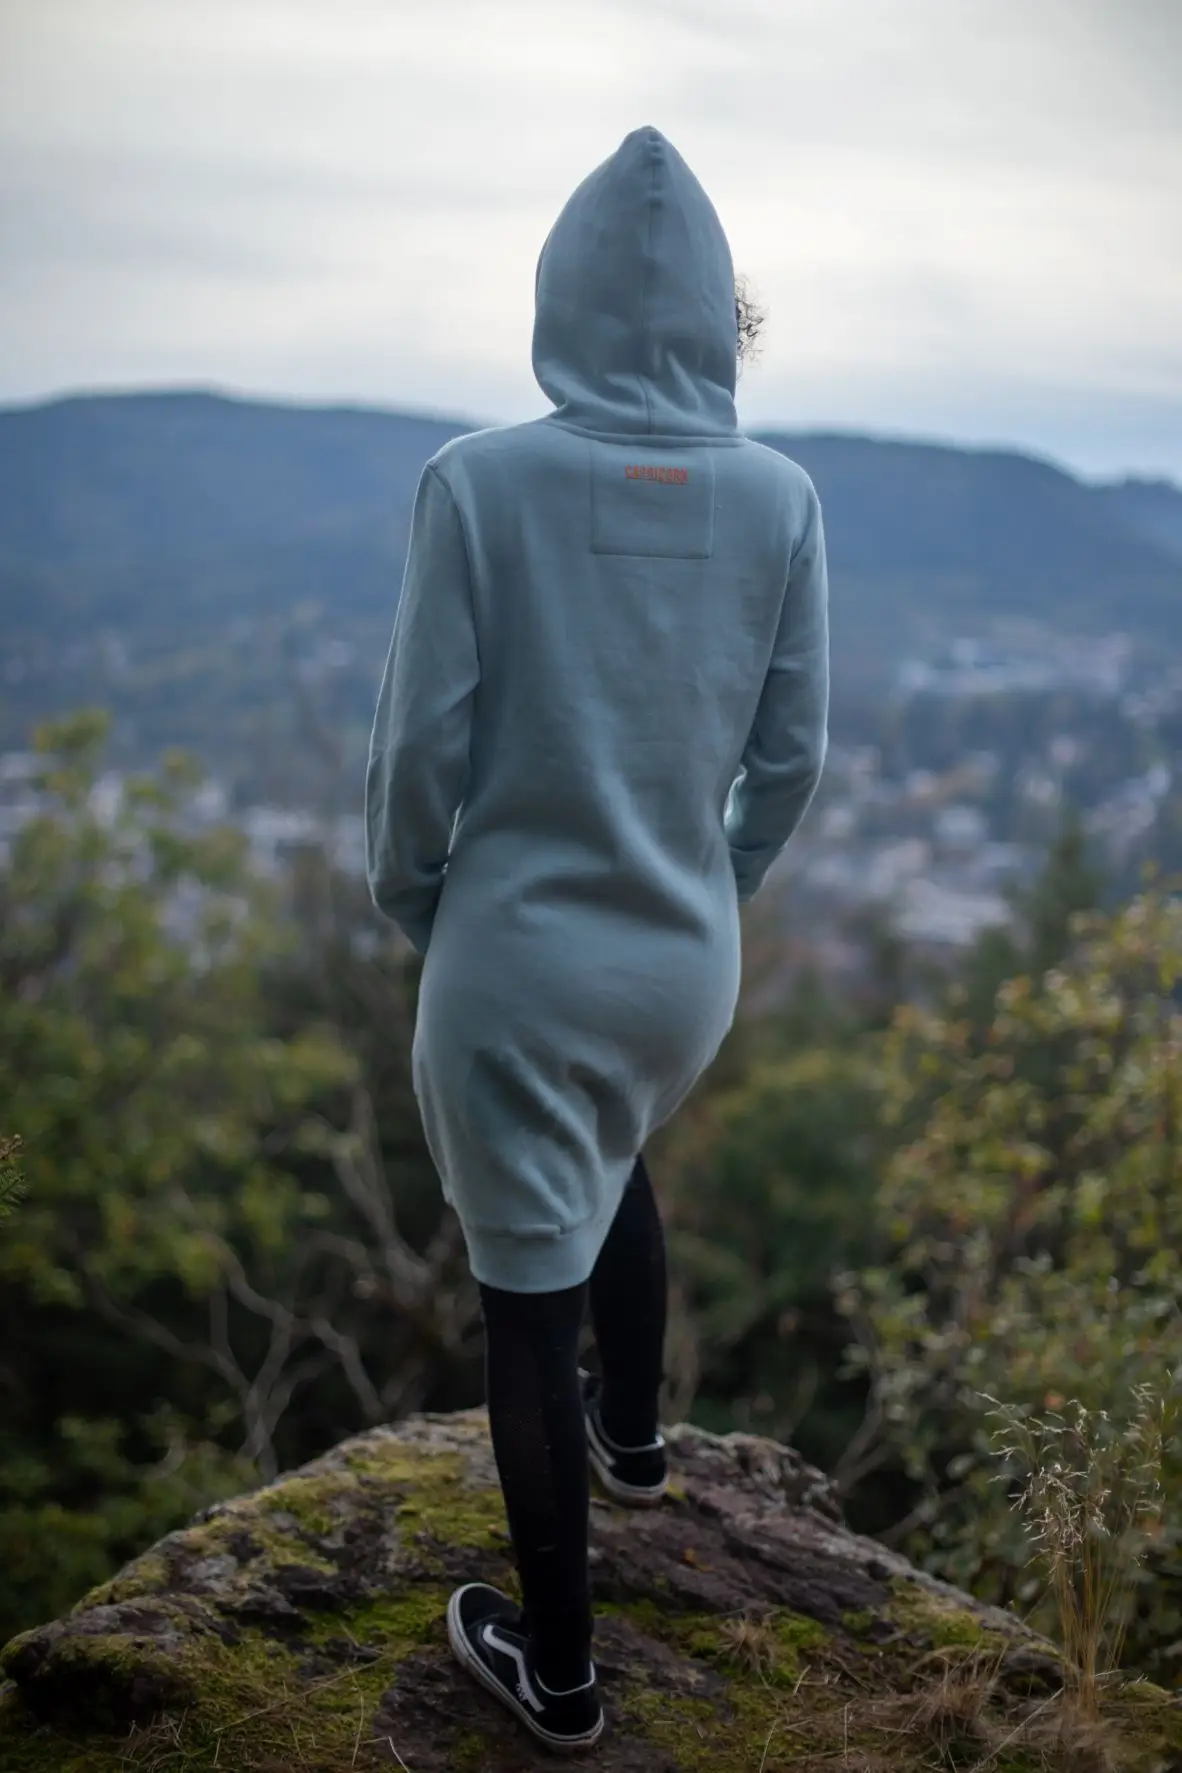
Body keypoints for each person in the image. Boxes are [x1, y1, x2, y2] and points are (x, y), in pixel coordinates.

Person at [364, 124, 830, 1753]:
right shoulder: (779, 500)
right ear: (718, 319)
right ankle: (636, 1447)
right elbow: (788, 762)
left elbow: (420, 752)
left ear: (559, 296)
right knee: (613, 1139)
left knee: (521, 1315)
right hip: (677, 966)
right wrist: (712, 892)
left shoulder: (476, 484)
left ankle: (558, 1681)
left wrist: (422, 910)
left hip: (513, 955)